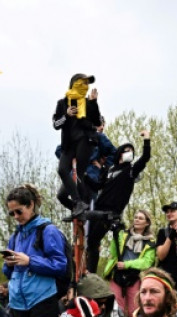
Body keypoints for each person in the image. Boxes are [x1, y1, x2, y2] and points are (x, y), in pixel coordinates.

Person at [2, 185, 67, 317]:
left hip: (42, 300)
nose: (16, 217)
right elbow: (8, 272)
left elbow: (60, 266)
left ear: (31, 205)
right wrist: (9, 263)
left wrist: (29, 261)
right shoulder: (16, 235)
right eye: (12, 213)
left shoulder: (48, 230)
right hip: (19, 303)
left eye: (19, 211)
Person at [84, 131, 152, 272]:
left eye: (132, 152)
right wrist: (84, 176)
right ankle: (89, 271)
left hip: (111, 212)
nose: (130, 153)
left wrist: (147, 138)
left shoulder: (131, 171)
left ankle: (92, 274)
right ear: (120, 153)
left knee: (94, 240)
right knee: (90, 243)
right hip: (98, 208)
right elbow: (97, 186)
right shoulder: (109, 169)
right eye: (127, 150)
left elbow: (145, 157)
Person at [53, 73, 102, 219]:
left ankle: (81, 208)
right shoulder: (62, 103)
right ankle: (77, 204)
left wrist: (93, 103)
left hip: (85, 141)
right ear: (74, 83)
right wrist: (66, 115)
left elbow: (98, 122)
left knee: (79, 173)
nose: (86, 86)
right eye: (83, 83)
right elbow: (56, 125)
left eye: (88, 84)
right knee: (62, 170)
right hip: (68, 144)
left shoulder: (87, 102)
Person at [104, 209, 156, 317]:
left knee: (134, 310)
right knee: (116, 308)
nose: (137, 220)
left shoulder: (150, 242)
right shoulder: (124, 235)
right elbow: (114, 253)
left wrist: (127, 264)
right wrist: (115, 237)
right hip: (118, 274)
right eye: (136, 217)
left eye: (140, 218)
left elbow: (146, 262)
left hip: (134, 276)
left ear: (147, 223)